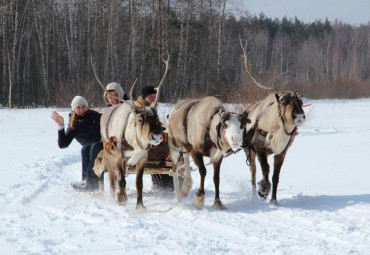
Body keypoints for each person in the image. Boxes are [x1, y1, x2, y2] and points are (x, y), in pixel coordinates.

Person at [70, 82, 127, 192]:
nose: (113, 99)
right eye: (110, 97)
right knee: (86, 148)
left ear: (120, 95)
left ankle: (91, 182)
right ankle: (87, 181)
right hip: (111, 143)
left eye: (116, 96)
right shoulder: (110, 109)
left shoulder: (126, 108)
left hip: (123, 144)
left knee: (95, 147)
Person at [51, 96, 101, 191]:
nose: (82, 109)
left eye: (84, 106)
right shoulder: (74, 124)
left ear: (87, 106)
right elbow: (63, 144)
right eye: (78, 107)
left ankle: (91, 182)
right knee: (85, 149)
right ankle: (87, 183)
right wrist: (61, 125)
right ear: (74, 109)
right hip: (91, 150)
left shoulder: (96, 116)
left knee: (92, 146)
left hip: (103, 145)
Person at [137, 86, 174, 192]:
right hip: (143, 146)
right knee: (162, 152)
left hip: (154, 143)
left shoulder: (151, 108)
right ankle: (161, 182)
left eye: (155, 96)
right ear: (144, 97)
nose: (153, 99)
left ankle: (165, 182)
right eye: (151, 96)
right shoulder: (138, 109)